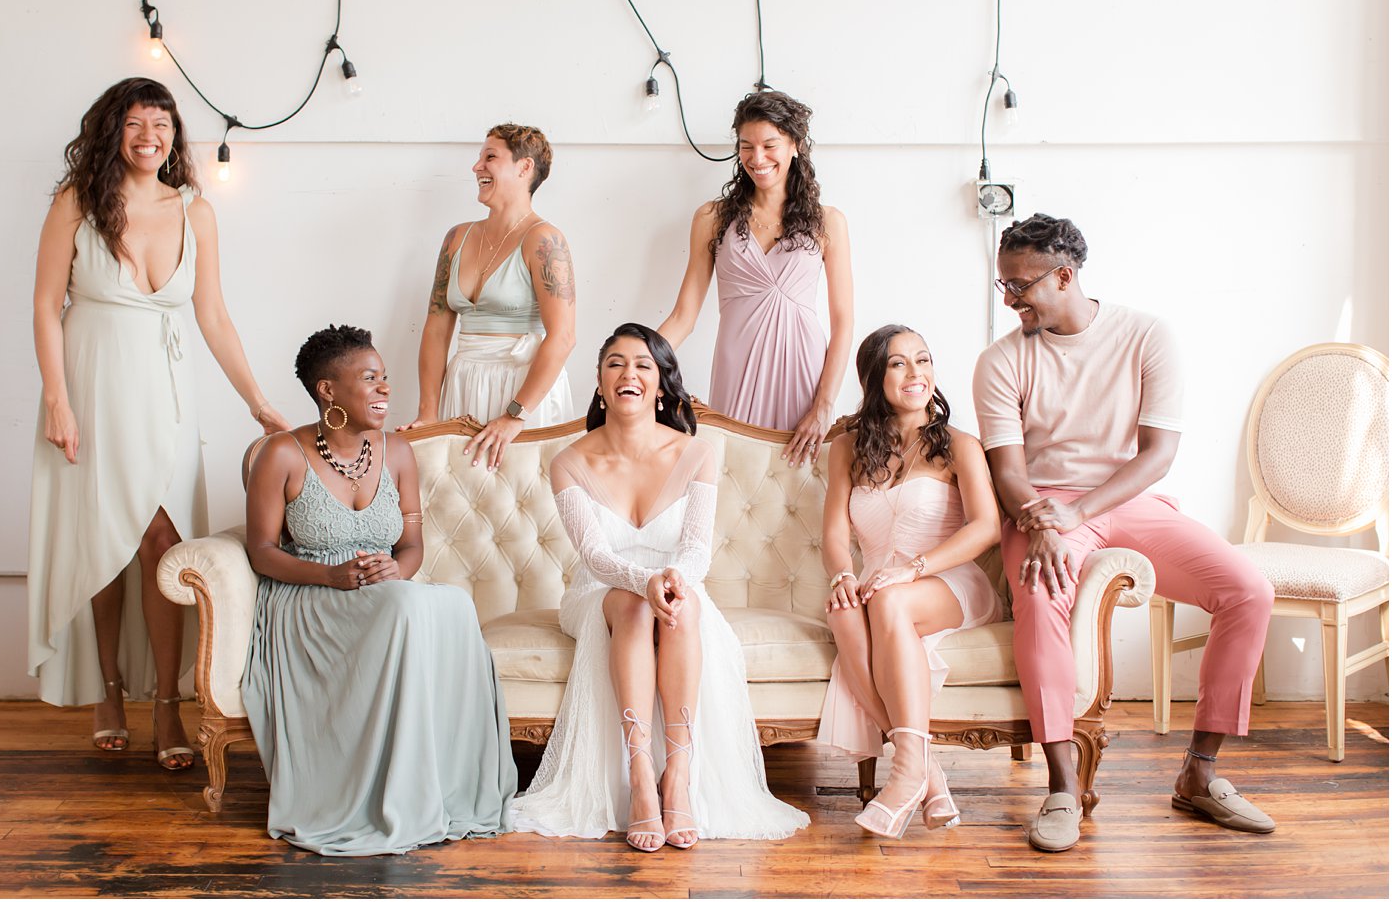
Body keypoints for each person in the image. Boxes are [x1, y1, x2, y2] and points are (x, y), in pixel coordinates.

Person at [972, 213, 1276, 852]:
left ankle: (1200, 772)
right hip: (1042, 504)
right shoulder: (1001, 360)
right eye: (1003, 285)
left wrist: (1081, 515)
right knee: (1039, 594)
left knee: (1248, 590)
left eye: (1021, 286)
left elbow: (1157, 454)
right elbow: (1007, 468)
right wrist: (1044, 520)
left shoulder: (1146, 335)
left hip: (1128, 499)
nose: (1010, 299)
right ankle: (1060, 787)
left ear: (1065, 275)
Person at [27, 77, 289, 770]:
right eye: (138, 123)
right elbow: (45, 304)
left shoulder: (195, 210)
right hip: (91, 385)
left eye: (164, 124)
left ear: (175, 135)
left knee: (162, 540)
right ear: (113, 130)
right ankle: (109, 690)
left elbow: (214, 317)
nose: (152, 136)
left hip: (166, 392)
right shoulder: (78, 203)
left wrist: (257, 401)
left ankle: (169, 702)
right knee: (104, 536)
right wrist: (57, 398)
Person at [512, 323, 809, 850]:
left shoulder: (697, 452)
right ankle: (639, 777)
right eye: (615, 364)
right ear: (601, 383)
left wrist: (672, 579)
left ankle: (678, 773)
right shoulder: (569, 462)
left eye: (643, 364)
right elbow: (597, 558)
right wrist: (643, 580)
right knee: (631, 607)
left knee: (685, 607)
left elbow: (696, 548)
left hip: (676, 583)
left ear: (663, 383)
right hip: (600, 592)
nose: (629, 373)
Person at [242, 325, 516, 855]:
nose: (385, 389)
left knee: (454, 603)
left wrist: (397, 572)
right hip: (311, 599)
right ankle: (380, 799)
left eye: (385, 378)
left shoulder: (397, 453)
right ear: (328, 390)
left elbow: (411, 545)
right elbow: (261, 551)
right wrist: (331, 575)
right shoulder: (282, 453)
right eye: (370, 379)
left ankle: (445, 787)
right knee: (404, 608)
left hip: (383, 596)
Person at [817, 325, 1002, 839]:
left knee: (891, 601)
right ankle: (927, 771)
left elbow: (986, 527)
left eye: (923, 360)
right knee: (843, 609)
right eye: (899, 363)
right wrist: (843, 575)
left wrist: (916, 567)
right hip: (878, 583)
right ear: (875, 377)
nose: (916, 373)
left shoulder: (960, 446)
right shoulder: (847, 449)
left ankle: (902, 778)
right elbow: (833, 534)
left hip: (946, 581)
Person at [657, 90, 853, 465]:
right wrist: (640, 359)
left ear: (795, 145)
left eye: (770, 145)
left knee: (798, 489)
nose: (757, 158)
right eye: (747, 146)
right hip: (736, 367)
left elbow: (843, 322)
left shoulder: (828, 222)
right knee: (732, 481)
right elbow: (684, 316)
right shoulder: (712, 218)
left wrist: (824, 405)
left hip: (803, 374)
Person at [400, 124, 575, 469]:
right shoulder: (456, 238)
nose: (476, 167)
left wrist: (515, 414)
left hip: (524, 389)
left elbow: (564, 337)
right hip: (464, 380)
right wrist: (428, 414)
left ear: (524, 168)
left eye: (490, 157)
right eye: (479, 158)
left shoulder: (544, 240)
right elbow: (436, 329)